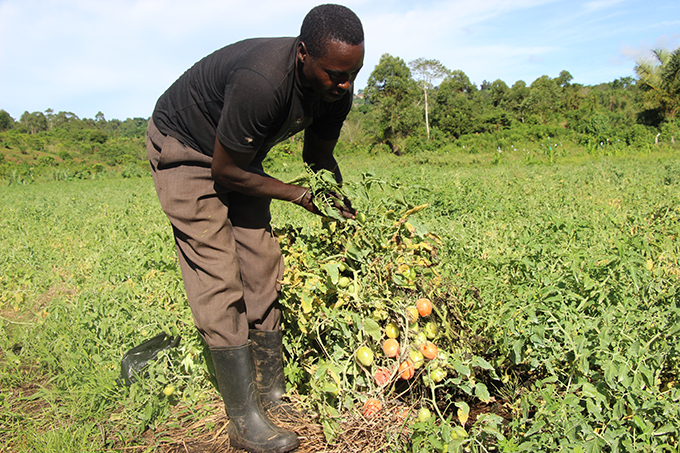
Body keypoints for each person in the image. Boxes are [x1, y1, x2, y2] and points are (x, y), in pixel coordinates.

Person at [145, 4, 364, 452]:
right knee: (218, 273)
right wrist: (299, 195)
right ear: (303, 54)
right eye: (335, 74)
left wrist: (339, 203)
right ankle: (243, 419)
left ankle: (272, 392)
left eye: (352, 73)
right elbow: (224, 173)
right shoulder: (262, 81)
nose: (343, 85)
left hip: (239, 158)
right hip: (188, 148)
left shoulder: (337, 89)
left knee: (261, 263)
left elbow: (317, 158)